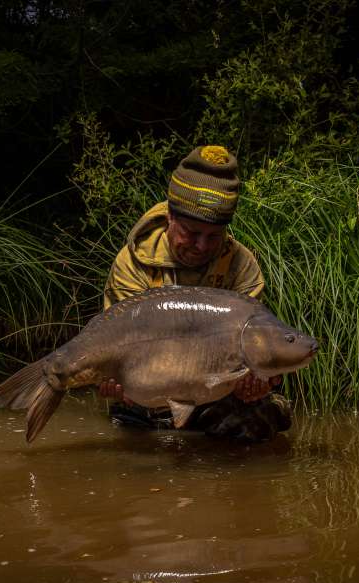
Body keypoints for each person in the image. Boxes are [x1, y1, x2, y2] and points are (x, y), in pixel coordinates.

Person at [97, 145, 291, 442]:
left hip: (211, 394)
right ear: (170, 217)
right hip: (144, 397)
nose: (201, 246)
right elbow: (117, 349)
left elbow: (251, 352)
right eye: (191, 232)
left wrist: (254, 383)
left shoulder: (243, 266)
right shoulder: (132, 262)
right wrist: (114, 380)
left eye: (213, 236)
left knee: (261, 421)